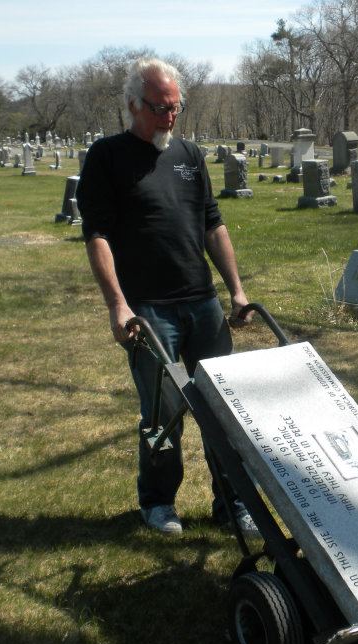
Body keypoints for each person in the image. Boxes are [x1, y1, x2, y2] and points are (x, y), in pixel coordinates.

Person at [76, 57, 256, 537]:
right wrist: (117, 304)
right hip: (149, 311)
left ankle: (232, 502)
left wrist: (235, 289)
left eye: (176, 108)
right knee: (162, 414)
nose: (170, 118)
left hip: (201, 304)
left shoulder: (190, 156)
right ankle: (158, 504)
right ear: (133, 104)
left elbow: (212, 225)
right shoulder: (107, 157)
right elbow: (98, 236)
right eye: (159, 108)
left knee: (224, 409)